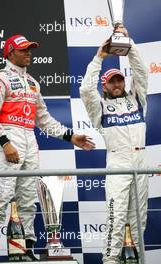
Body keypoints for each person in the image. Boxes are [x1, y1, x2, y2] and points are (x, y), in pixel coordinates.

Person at [0, 34, 95, 262]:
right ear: (9, 53)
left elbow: (44, 119)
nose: (29, 53)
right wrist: (5, 143)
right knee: (2, 196)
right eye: (23, 49)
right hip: (9, 138)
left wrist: (71, 136)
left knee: (27, 200)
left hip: (30, 141)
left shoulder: (33, 83)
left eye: (30, 49)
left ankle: (24, 251)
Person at [80, 26, 148, 264]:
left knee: (140, 218)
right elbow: (86, 89)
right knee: (116, 216)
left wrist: (128, 44)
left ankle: (136, 259)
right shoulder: (99, 108)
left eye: (119, 80)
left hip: (140, 161)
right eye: (112, 82)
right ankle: (110, 260)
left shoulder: (137, 99)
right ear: (105, 86)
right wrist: (99, 56)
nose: (117, 84)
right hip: (118, 162)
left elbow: (141, 72)